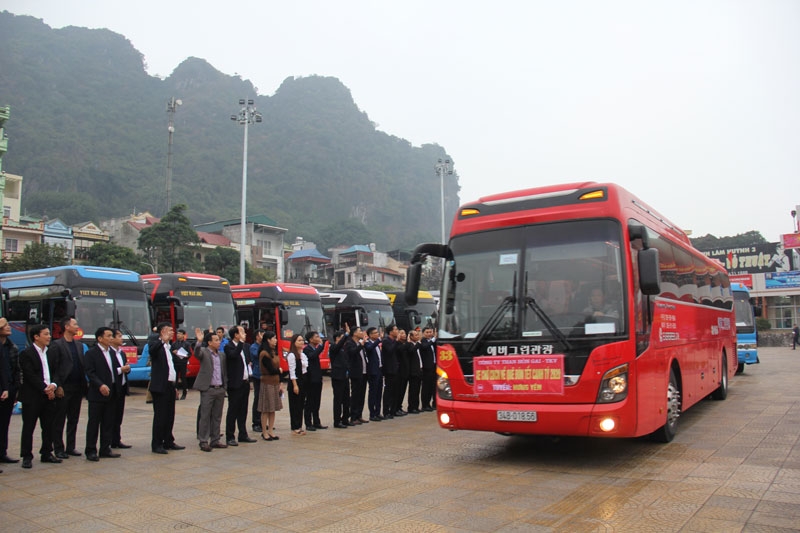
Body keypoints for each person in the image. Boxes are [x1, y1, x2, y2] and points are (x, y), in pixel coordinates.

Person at [18, 324, 60, 468]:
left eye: (49, 334)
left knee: (48, 426)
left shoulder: (51, 352)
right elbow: (30, 375)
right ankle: (26, 455)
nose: (49, 336)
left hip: (50, 395)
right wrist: (45, 388)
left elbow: (56, 372)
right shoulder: (26, 354)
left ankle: (47, 452)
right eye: (46, 334)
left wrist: (53, 385)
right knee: (29, 426)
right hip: (33, 396)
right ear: (36, 337)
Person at [50, 316, 87, 459]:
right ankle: (58, 448)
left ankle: (71, 447)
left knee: (74, 418)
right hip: (64, 387)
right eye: (75, 324)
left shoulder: (78, 345)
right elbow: (54, 367)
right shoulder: (57, 345)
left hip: (77, 386)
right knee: (59, 419)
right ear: (66, 327)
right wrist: (57, 385)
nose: (77, 326)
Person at [83, 327, 121, 461]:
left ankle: (105, 448)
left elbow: (114, 370)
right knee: (94, 423)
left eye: (112, 336)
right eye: (109, 336)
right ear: (100, 338)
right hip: (97, 394)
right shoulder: (91, 353)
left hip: (112, 392)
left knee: (108, 422)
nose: (111, 338)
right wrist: (100, 385)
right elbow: (90, 372)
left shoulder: (111, 353)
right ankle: (91, 450)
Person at [148, 322, 185, 454]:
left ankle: (168, 440)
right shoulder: (155, 344)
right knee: (160, 416)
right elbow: (151, 352)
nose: (172, 333)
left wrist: (175, 385)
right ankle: (157, 444)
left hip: (170, 385)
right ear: (162, 331)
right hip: (160, 386)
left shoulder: (169, 347)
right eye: (169, 330)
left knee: (170, 415)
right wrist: (161, 341)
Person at [193, 328, 227, 452]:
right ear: (209, 343)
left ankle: (215, 439)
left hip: (220, 388)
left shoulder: (222, 355)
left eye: (219, 340)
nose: (219, 342)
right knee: (205, 415)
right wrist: (199, 341)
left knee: (217, 416)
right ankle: (203, 440)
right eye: (216, 340)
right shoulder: (204, 352)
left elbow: (224, 372)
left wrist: (225, 386)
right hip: (208, 389)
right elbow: (196, 353)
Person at [224, 325, 256, 445]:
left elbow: (247, 361)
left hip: (245, 382)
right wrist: (241, 343)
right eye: (242, 332)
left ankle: (243, 434)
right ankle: (230, 436)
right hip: (235, 384)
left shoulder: (245, 347)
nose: (245, 334)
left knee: (243, 410)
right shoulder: (229, 347)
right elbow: (233, 356)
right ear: (236, 335)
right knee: (233, 410)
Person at [0, 318, 21, 465]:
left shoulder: (11, 347)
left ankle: (2, 453)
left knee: (4, 424)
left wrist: (14, 390)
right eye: (5, 325)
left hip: (9, 391)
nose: (9, 327)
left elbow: (15, 370)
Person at [258, 331, 283, 440]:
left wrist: (280, 382)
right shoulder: (264, 353)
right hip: (267, 382)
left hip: (275, 382)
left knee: (272, 409)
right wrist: (279, 370)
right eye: (273, 338)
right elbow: (271, 369)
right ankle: (264, 431)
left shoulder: (274, 352)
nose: (276, 340)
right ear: (268, 340)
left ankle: (271, 430)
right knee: (266, 409)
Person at [110, 329, 132, 449]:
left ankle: (116, 440)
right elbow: (108, 371)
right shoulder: (109, 353)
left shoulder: (121, 353)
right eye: (119, 336)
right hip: (113, 388)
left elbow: (125, 367)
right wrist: (120, 370)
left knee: (119, 415)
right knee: (111, 416)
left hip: (122, 387)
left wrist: (127, 369)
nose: (121, 338)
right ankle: (109, 440)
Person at [303, 331, 327, 430]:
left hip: (317, 378)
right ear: (311, 339)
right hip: (310, 380)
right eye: (317, 337)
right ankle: (308, 423)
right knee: (310, 402)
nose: (319, 338)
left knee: (317, 401)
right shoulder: (307, 349)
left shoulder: (315, 349)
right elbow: (312, 356)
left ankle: (317, 422)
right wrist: (321, 346)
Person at [328, 328, 351, 428]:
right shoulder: (333, 347)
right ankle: (337, 421)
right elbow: (338, 346)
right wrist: (346, 334)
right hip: (337, 376)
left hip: (345, 376)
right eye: (342, 338)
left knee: (346, 399)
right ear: (337, 338)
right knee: (338, 399)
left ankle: (345, 418)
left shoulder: (343, 349)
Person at [287, 333, 308, 435]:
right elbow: (292, 371)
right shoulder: (291, 355)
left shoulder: (303, 354)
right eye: (299, 340)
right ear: (294, 343)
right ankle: (295, 426)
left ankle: (299, 425)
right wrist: (295, 385)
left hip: (303, 380)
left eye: (302, 340)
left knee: (301, 404)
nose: (301, 342)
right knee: (295, 405)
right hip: (296, 381)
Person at [347, 326, 368, 425]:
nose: (362, 332)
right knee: (355, 395)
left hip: (363, 371)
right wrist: (361, 344)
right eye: (360, 331)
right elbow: (352, 353)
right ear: (354, 333)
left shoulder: (359, 343)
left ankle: (359, 415)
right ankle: (353, 416)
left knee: (361, 394)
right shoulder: (350, 343)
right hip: (355, 372)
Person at [364, 327, 383, 421]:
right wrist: (379, 340)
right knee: (373, 392)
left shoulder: (377, 344)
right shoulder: (367, 343)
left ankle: (378, 412)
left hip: (379, 370)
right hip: (372, 371)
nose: (377, 334)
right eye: (375, 333)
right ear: (370, 335)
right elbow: (369, 348)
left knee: (379, 392)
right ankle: (372, 413)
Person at [381, 325, 399, 419]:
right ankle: (386, 411)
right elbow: (390, 350)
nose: (397, 331)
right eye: (395, 329)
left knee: (395, 391)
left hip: (395, 369)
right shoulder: (386, 341)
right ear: (390, 332)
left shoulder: (394, 341)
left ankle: (394, 410)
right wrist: (397, 341)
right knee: (388, 391)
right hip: (389, 370)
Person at [249, 329, 265, 434]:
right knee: (258, 398)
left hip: (266, 375)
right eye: (261, 335)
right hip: (257, 375)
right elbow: (258, 355)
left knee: (265, 399)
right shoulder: (253, 347)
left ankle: (264, 422)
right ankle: (256, 422)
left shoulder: (265, 346)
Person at [170, 329, 191, 400]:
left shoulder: (186, 344)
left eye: (180, 334)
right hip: (175, 362)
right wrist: (173, 352)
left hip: (183, 363)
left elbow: (189, 354)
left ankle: (184, 393)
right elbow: (170, 352)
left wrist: (185, 355)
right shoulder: (174, 344)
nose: (178, 335)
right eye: (177, 333)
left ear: (183, 335)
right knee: (175, 378)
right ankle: (175, 393)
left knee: (183, 378)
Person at [419, 326, 437, 411]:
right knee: (426, 387)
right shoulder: (423, 341)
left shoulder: (433, 342)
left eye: (430, 332)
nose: (429, 334)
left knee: (433, 386)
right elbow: (424, 347)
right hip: (426, 368)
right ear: (423, 333)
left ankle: (432, 403)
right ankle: (425, 404)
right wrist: (433, 340)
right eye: (427, 332)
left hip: (434, 366)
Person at [406, 329, 423, 414]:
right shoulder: (409, 345)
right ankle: (411, 407)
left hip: (419, 370)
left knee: (417, 390)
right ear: (411, 337)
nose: (417, 336)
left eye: (418, 335)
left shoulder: (417, 345)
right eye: (415, 335)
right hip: (413, 371)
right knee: (413, 390)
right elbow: (411, 351)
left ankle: (416, 406)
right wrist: (418, 343)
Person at [393, 329, 409, 417]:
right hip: (399, 371)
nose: (404, 335)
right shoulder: (397, 344)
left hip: (405, 370)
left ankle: (399, 407)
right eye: (401, 333)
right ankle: (395, 408)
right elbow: (399, 350)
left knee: (402, 391)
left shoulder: (404, 344)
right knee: (397, 391)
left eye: (405, 333)